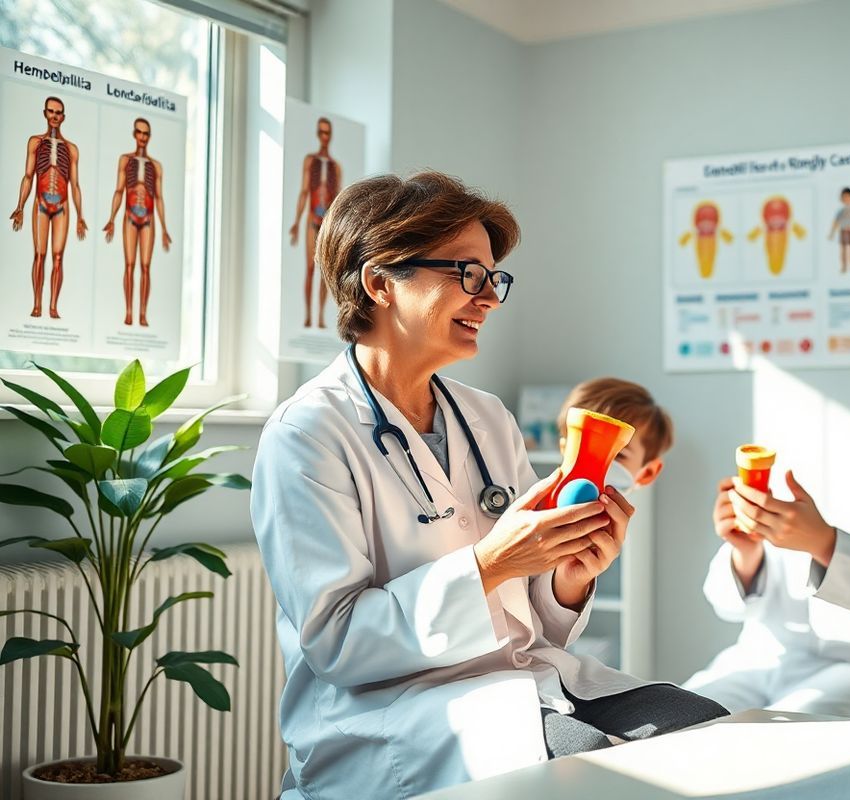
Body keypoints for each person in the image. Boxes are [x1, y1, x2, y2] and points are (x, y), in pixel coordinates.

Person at [251, 172, 725, 800]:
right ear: (379, 282)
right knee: (590, 773)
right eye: (467, 274)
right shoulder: (307, 433)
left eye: (493, 277)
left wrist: (570, 572)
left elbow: (534, 621)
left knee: (712, 735)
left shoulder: (486, 417)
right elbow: (337, 645)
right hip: (397, 711)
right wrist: (492, 562)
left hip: (523, 682)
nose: (490, 298)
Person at [684, 466, 850, 720]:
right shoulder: (779, 511)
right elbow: (726, 605)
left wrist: (824, 543)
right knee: (685, 716)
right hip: (759, 659)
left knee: (795, 729)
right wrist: (745, 551)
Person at [10, 96, 87, 319]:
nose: (54, 116)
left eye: (58, 112)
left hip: (62, 207)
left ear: (63, 117)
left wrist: (81, 216)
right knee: (39, 255)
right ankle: (37, 305)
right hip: (40, 204)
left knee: (58, 258)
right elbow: (27, 176)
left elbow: (75, 185)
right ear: (45, 113)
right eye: (51, 111)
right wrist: (20, 206)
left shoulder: (71, 149)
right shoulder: (35, 142)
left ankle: (52, 307)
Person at [102, 117, 171, 327]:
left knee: (146, 267)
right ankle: (129, 312)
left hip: (148, 219)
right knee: (130, 265)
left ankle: (143, 314)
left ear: (149, 137)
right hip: (129, 217)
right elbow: (119, 190)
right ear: (134, 134)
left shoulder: (156, 166)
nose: (142, 137)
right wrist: (112, 218)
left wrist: (165, 229)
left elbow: (159, 198)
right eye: (139, 132)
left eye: (146, 134)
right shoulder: (125, 160)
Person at [555, 377, 672, 493]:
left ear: (647, 473)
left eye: (617, 454)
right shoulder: (540, 506)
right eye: (581, 448)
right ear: (564, 449)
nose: (593, 466)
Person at [288, 116, 342, 328]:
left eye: (327, 132)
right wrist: (295, 221)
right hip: (312, 220)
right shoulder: (310, 161)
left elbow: (338, 199)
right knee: (310, 268)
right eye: (321, 132)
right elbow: (303, 192)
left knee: (324, 272)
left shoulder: (336, 167)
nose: (324, 136)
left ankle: (320, 316)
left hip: (327, 224)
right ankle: (308, 314)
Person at [827, 187, 850, 274]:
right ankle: (843, 266)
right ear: (841, 199)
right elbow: (835, 222)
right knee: (843, 250)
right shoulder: (840, 211)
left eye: (849, 197)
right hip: (843, 231)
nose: (847, 199)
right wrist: (832, 233)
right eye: (844, 197)